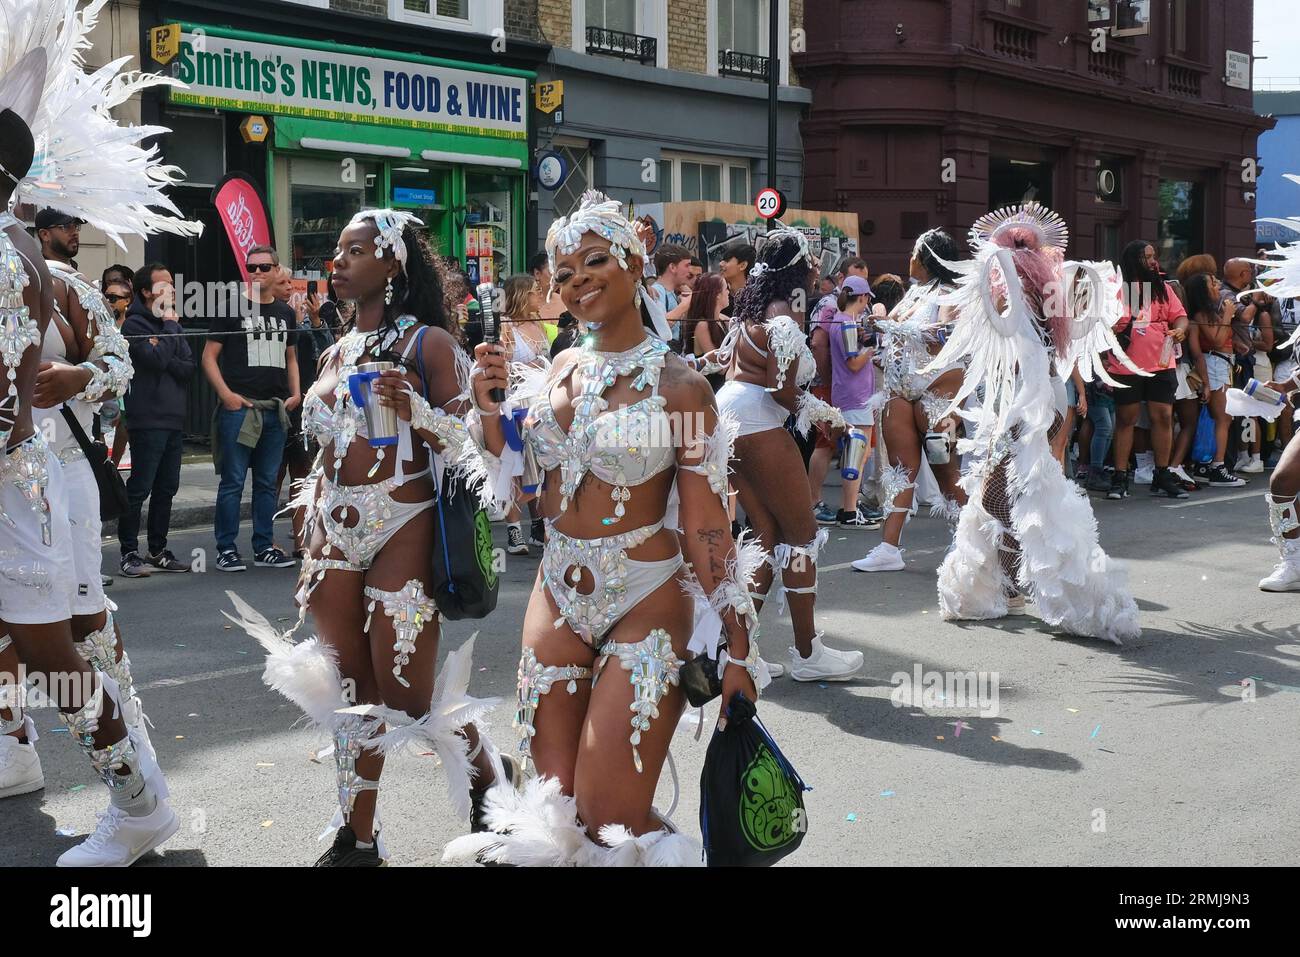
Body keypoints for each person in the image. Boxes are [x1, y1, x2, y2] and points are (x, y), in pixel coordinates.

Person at [446, 190, 763, 866]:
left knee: (610, 814)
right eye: (563, 274)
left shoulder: (681, 387)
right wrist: (487, 413)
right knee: (558, 809)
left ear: (635, 262)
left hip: (645, 597)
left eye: (594, 261)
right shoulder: (561, 367)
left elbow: (708, 526)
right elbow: (520, 495)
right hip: (556, 593)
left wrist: (737, 648)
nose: (577, 280)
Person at [224, 209, 506, 866]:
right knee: (351, 692)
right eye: (338, 251)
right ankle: (357, 834)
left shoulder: (428, 344)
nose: (339, 262)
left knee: (407, 694)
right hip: (334, 536)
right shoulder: (333, 349)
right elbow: (323, 453)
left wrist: (419, 410)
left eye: (355, 251)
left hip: (402, 525)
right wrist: (309, 528)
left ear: (393, 264)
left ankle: (492, 777)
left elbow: (480, 452)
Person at [0, 0, 198, 863]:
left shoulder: (50, 282)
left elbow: (86, 377)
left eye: (61, 230)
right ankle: (18, 745)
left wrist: (79, 375)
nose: (58, 239)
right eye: (52, 227)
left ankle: (136, 785)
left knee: (71, 631)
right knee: (42, 633)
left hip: (50, 477)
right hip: (29, 471)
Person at [931, 203, 1140, 642]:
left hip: (1030, 409)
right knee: (1013, 492)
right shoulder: (1043, 302)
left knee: (1004, 494)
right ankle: (1013, 583)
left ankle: (1029, 584)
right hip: (1038, 405)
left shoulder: (1023, 306)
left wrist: (996, 266)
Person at [712, 225, 863, 681]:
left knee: (765, 537)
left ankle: (738, 653)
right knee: (801, 534)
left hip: (732, 417)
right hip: (758, 420)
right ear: (799, 268)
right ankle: (807, 652)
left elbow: (729, 367)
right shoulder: (783, 316)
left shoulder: (756, 308)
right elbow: (781, 390)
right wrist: (829, 415)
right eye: (813, 261)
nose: (818, 268)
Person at [852, 229, 967, 573]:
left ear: (928, 258)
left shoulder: (951, 294)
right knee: (900, 473)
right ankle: (889, 547)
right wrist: (877, 325)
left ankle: (968, 543)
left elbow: (944, 336)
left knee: (947, 472)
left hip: (938, 390)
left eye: (915, 254)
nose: (909, 261)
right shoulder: (914, 295)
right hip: (901, 391)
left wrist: (893, 327)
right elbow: (892, 326)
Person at [202, 246, 300, 572]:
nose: (256, 272)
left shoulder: (286, 313)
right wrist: (226, 395)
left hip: (275, 409)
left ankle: (264, 546)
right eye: (251, 267)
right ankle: (226, 549)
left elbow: (291, 357)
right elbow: (208, 357)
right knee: (232, 481)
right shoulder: (230, 307)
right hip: (240, 410)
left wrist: (296, 393)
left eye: (263, 267)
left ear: (276, 271)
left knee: (267, 482)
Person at [118, 263, 193, 577]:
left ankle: (157, 549)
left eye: (172, 284)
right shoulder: (134, 325)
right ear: (147, 292)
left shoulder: (168, 325)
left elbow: (187, 368)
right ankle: (128, 552)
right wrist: (169, 330)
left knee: (167, 488)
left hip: (173, 417)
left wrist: (164, 339)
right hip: (147, 418)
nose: (171, 290)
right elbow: (155, 361)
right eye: (164, 285)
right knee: (140, 488)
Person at [1104, 240, 1190, 500]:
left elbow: (1181, 315)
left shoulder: (1162, 287)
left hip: (1162, 361)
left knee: (1163, 416)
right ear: (1133, 261)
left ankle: (1162, 474)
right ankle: (1120, 477)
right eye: (1148, 257)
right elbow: (1107, 323)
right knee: (1126, 419)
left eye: (1154, 256)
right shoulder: (1119, 288)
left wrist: (1180, 330)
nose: (1154, 262)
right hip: (1126, 363)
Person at [278, 267, 334, 559]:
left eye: (292, 283)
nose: (290, 289)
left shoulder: (305, 321)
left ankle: (301, 542)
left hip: (306, 410)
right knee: (272, 477)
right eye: (284, 282)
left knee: (302, 475)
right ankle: (262, 542)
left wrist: (313, 321)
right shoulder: (272, 318)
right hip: (280, 405)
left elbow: (326, 355)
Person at [498, 272, 550, 554]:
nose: (540, 295)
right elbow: (502, 367)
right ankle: (514, 530)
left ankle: (538, 525)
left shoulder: (539, 324)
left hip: (541, 403)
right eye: (535, 291)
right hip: (516, 405)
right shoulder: (506, 327)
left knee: (540, 467)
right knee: (517, 467)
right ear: (521, 295)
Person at [827, 275, 882, 527]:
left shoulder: (843, 322)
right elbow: (853, 363)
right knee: (856, 456)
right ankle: (849, 512)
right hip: (855, 397)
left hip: (848, 395)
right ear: (862, 297)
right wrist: (872, 349)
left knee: (855, 454)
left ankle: (846, 509)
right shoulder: (847, 323)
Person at [1185, 272, 1246, 487]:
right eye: (1213, 283)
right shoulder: (1202, 314)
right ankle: (1217, 466)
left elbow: (1222, 338)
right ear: (1204, 291)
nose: (1218, 285)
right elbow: (1216, 340)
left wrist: (1236, 344)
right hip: (1215, 365)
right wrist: (1229, 314)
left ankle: (1208, 464)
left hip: (1223, 364)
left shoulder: (1211, 312)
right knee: (1223, 417)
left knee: (1223, 418)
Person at [685, 272, 730, 392]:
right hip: (710, 391)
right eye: (726, 288)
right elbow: (720, 367)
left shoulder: (721, 319)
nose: (728, 292)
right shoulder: (703, 325)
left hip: (723, 387)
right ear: (717, 295)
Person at [650, 243, 693, 344]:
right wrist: (684, 305)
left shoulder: (671, 292)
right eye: (686, 265)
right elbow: (660, 326)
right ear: (673, 267)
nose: (689, 271)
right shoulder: (657, 291)